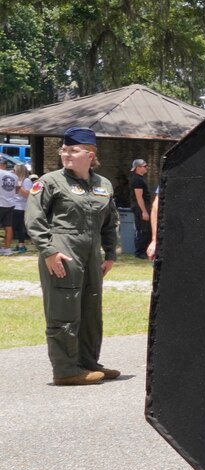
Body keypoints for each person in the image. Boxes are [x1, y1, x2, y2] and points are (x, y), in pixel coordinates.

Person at [25, 127, 122, 385]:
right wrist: (48, 251)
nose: (66, 154)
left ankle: (88, 363)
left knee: (91, 310)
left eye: (73, 150)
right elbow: (34, 219)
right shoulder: (50, 182)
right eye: (64, 150)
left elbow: (110, 223)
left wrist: (110, 254)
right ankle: (66, 370)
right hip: (62, 252)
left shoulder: (103, 185)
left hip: (92, 255)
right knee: (64, 309)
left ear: (90, 154)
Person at [125, 158, 154, 261]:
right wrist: (144, 211)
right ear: (138, 168)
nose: (147, 168)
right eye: (144, 166)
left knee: (147, 229)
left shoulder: (140, 178)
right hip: (140, 207)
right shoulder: (137, 179)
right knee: (143, 230)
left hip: (143, 206)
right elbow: (139, 197)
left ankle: (144, 251)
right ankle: (139, 252)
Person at [0, 160, 27, 254]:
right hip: (10, 204)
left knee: (11, 227)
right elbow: (16, 190)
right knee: (8, 227)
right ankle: (7, 249)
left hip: (1, 203)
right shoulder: (14, 176)